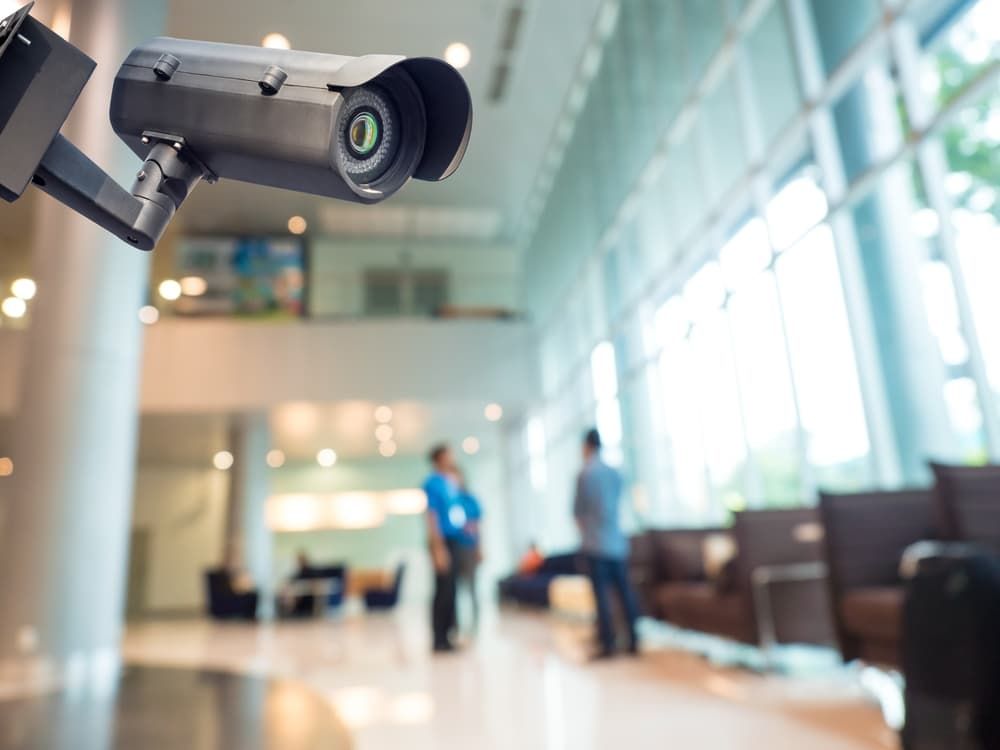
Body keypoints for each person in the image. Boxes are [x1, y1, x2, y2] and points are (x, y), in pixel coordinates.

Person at [573, 428, 641, 660]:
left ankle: (608, 643)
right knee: (625, 592)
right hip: (617, 543)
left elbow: (578, 514)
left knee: (601, 596)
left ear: (587, 446)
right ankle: (633, 640)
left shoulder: (585, 474)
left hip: (595, 544)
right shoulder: (615, 473)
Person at [423, 443, 466, 653]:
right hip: (442, 542)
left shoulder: (450, 482)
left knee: (451, 590)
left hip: (454, 539)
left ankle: (449, 636)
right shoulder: (432, 483)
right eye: (449, 455)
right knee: (443, 590)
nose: (452, 458)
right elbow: (431, 516)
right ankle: (438, 638)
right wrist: (438, 548)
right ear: (439, 458)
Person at [454, 468, 483, 633]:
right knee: (456, 588)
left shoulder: (471, 500)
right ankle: (456, 625)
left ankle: (476, 624)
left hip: (470, 548)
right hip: (455, 549)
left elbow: (478, 526)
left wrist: (480, 547)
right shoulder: (450, 499)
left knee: (472, 587)